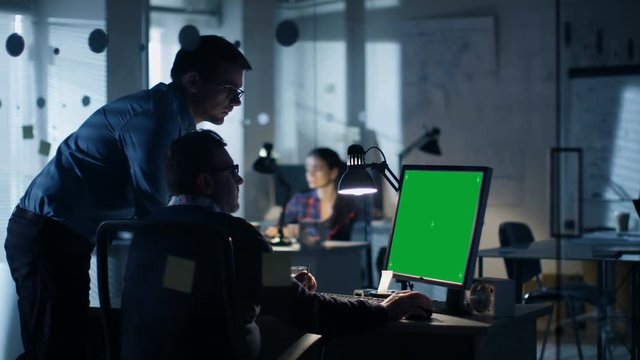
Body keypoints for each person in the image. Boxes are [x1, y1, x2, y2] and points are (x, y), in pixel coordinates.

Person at [4, 35, 251, 359]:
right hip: (46, 232)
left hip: (65, 233)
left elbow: (166, 223)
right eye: (230, 91)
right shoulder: (157, 118)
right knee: (55, 347)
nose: (236, 102)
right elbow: (162, 220)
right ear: (193, 82)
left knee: (63, 342)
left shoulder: (179, 125)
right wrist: (189, 279)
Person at [137, 130, 432, 358]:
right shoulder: (239, 234)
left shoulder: (154, 231)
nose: (239, 180)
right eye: (231, 171)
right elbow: (307, 309)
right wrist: (386, 310)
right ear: (206, 182)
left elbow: (185, 286)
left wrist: (280, 282)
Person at [267, 148, 357, 243]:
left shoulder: (348, 204)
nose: (310, 174)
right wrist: (282, 231)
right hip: (304, 256)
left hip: (339, 256)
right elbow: (278, 230)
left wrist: (302, 232)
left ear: (333, 173)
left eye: (316, 169)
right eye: (307, 169)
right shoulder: (299, 201)